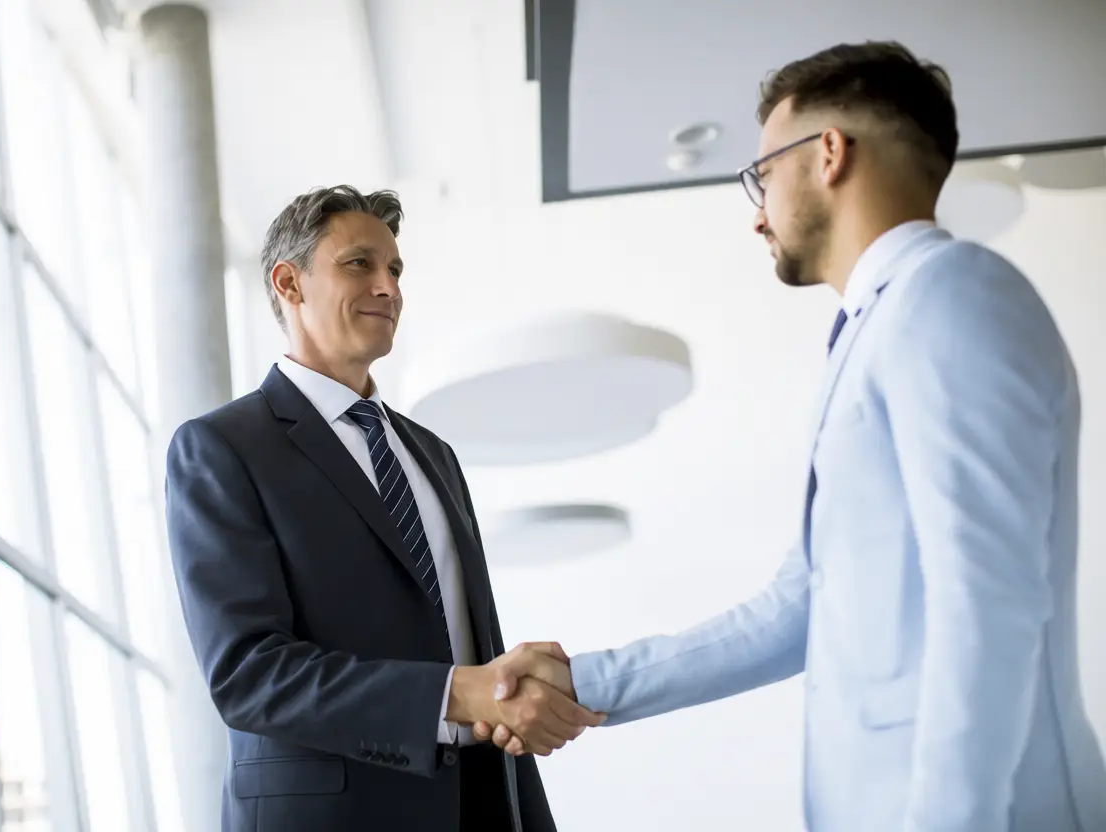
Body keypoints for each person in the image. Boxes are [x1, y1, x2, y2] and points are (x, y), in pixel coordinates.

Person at [474, 41, 1106, 831]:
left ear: (829, 153)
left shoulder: (951, 295)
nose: (756, 212)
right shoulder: (876, 327)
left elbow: (989, 601)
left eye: (762, 175)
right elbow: (798, 606)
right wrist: (588, 679)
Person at [163, 185, 603, 832]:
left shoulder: (434, 454)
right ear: (290, 283)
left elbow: (465, 639)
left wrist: (509, 701)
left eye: (395, 269)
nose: (388, 287)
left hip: (482, 803)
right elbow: (248, 674)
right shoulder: (222, 448)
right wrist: (458, 694)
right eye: (359, 265)